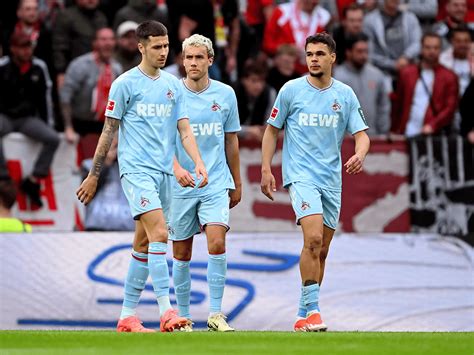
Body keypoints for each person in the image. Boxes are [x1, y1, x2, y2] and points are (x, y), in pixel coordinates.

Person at [76, 20, 208, 333]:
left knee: (145, 243)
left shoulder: (173, 85)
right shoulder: (125, 84)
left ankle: (126, 316)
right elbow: (108, 130)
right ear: (141, 47)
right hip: (136, 171)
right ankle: (167, 311)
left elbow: (184, 129)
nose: (163, 52)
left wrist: (198, 162)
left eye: (166, 46)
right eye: (157, 47)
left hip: (165, 173)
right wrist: (95, 175)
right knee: (161, 234)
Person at [260, 32, 370, 332]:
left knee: (321, 251)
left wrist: (360, 154)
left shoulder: (344, 94)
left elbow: (362, 134)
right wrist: (267, 169)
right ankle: (315, 311)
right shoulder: (291, 91)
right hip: (300, 176)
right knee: (313, 239)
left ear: (333, 57)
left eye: (320, 54)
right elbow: (271, 130)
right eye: (309, 54)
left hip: (331, 180)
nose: (313, 59)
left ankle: (302, 313)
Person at [170, 34, 242, 332]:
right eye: (189, 57)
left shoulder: (225, 94)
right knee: (182, 253)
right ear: (182, 61)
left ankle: (215, 313)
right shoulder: (171, 93)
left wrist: (237, 181)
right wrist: (175, 170)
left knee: (216, 240)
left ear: (210, 60)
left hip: (214, 182)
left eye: (199, 57)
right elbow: (160, 142)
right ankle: (184, 316)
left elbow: (231, 141)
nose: (193, 63)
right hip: (180, 185)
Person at [0, 32, 60, 208]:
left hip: (27, 118)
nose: (26, 51)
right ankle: (3, 176)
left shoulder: (38, 68)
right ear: (13, 49)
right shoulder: (3, 67)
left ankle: (34, 179)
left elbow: (45, 99)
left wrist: (49, 124)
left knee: (53, 138)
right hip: (5, 116)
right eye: (22, 47)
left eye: (29, 47)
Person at [391, 32, 459, 137]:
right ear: (421, 49)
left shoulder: (449, 76)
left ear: (440, 50)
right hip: (407, 131)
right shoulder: (407, 73)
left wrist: (433, 125)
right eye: (428, 47)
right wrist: (394, 129)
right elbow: (398, 104)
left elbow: (450, 108)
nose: (432, 51)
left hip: (433, 133)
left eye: (436, 48)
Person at [60, 27, 122, 139]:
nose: (108, 43)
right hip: (80, 125)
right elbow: (65, 97)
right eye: (103, 39)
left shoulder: (117, 68)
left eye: (111, 39)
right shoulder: (80, 65)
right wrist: (68, 127)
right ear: (95, 43)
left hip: (105, 126)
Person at [334, 33, 391, 136]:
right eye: (359, 51)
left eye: (366, 51)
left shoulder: (377, 75)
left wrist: (383, 132)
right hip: (345, 140)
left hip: (373, 137)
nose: (364, 55)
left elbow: (383, 106)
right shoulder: (337, 77)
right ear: (348, 52)